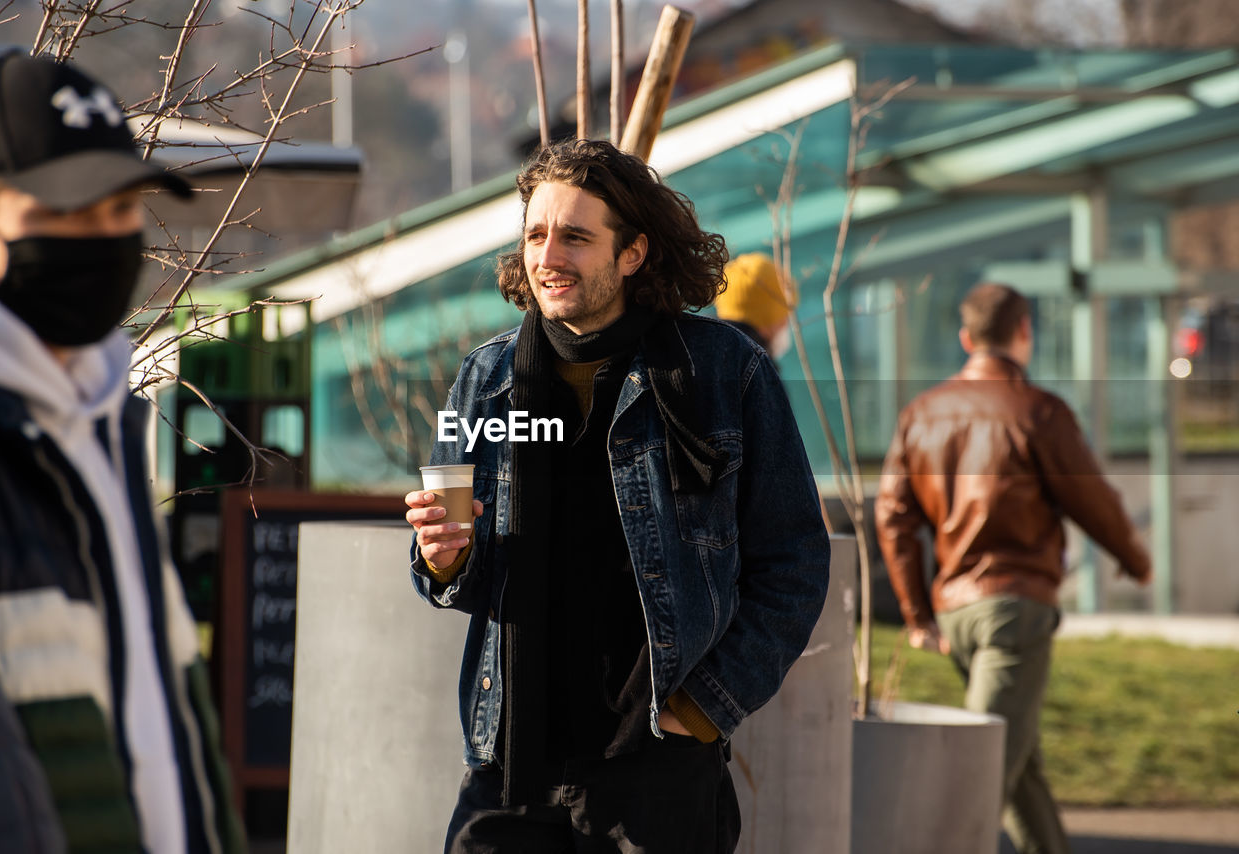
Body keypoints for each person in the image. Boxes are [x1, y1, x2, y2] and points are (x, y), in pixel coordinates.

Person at [405, 138, 830, 853]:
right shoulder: (486, 378)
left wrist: (704, 709)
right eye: (536, 234)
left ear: (632, 253)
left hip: (656, 773)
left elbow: (793, 562)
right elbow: (454, 569)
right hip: (510, 765)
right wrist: (443, 559)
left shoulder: (726, 371)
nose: (547, 256)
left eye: (575, 236)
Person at [0, 51, 245, 853]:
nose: (108, 236)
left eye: (123, 206)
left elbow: (164, 715)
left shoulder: (102, 417)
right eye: (70, 212)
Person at [875, 282, 1152, 854]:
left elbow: (894, 518)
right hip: (1014, 610)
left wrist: (917, 612)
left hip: (957, 613)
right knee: (977, 781)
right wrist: (1136, 559)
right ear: (1025, 332)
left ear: (965, 338)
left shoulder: (921, 414)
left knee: (1017, 768)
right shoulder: (1038, 412)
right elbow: (1093, 501)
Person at [715, 252, 792, 358]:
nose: (786, 321)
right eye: (784, 314)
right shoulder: (756, 365)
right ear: (765, 319)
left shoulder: (710, 347)